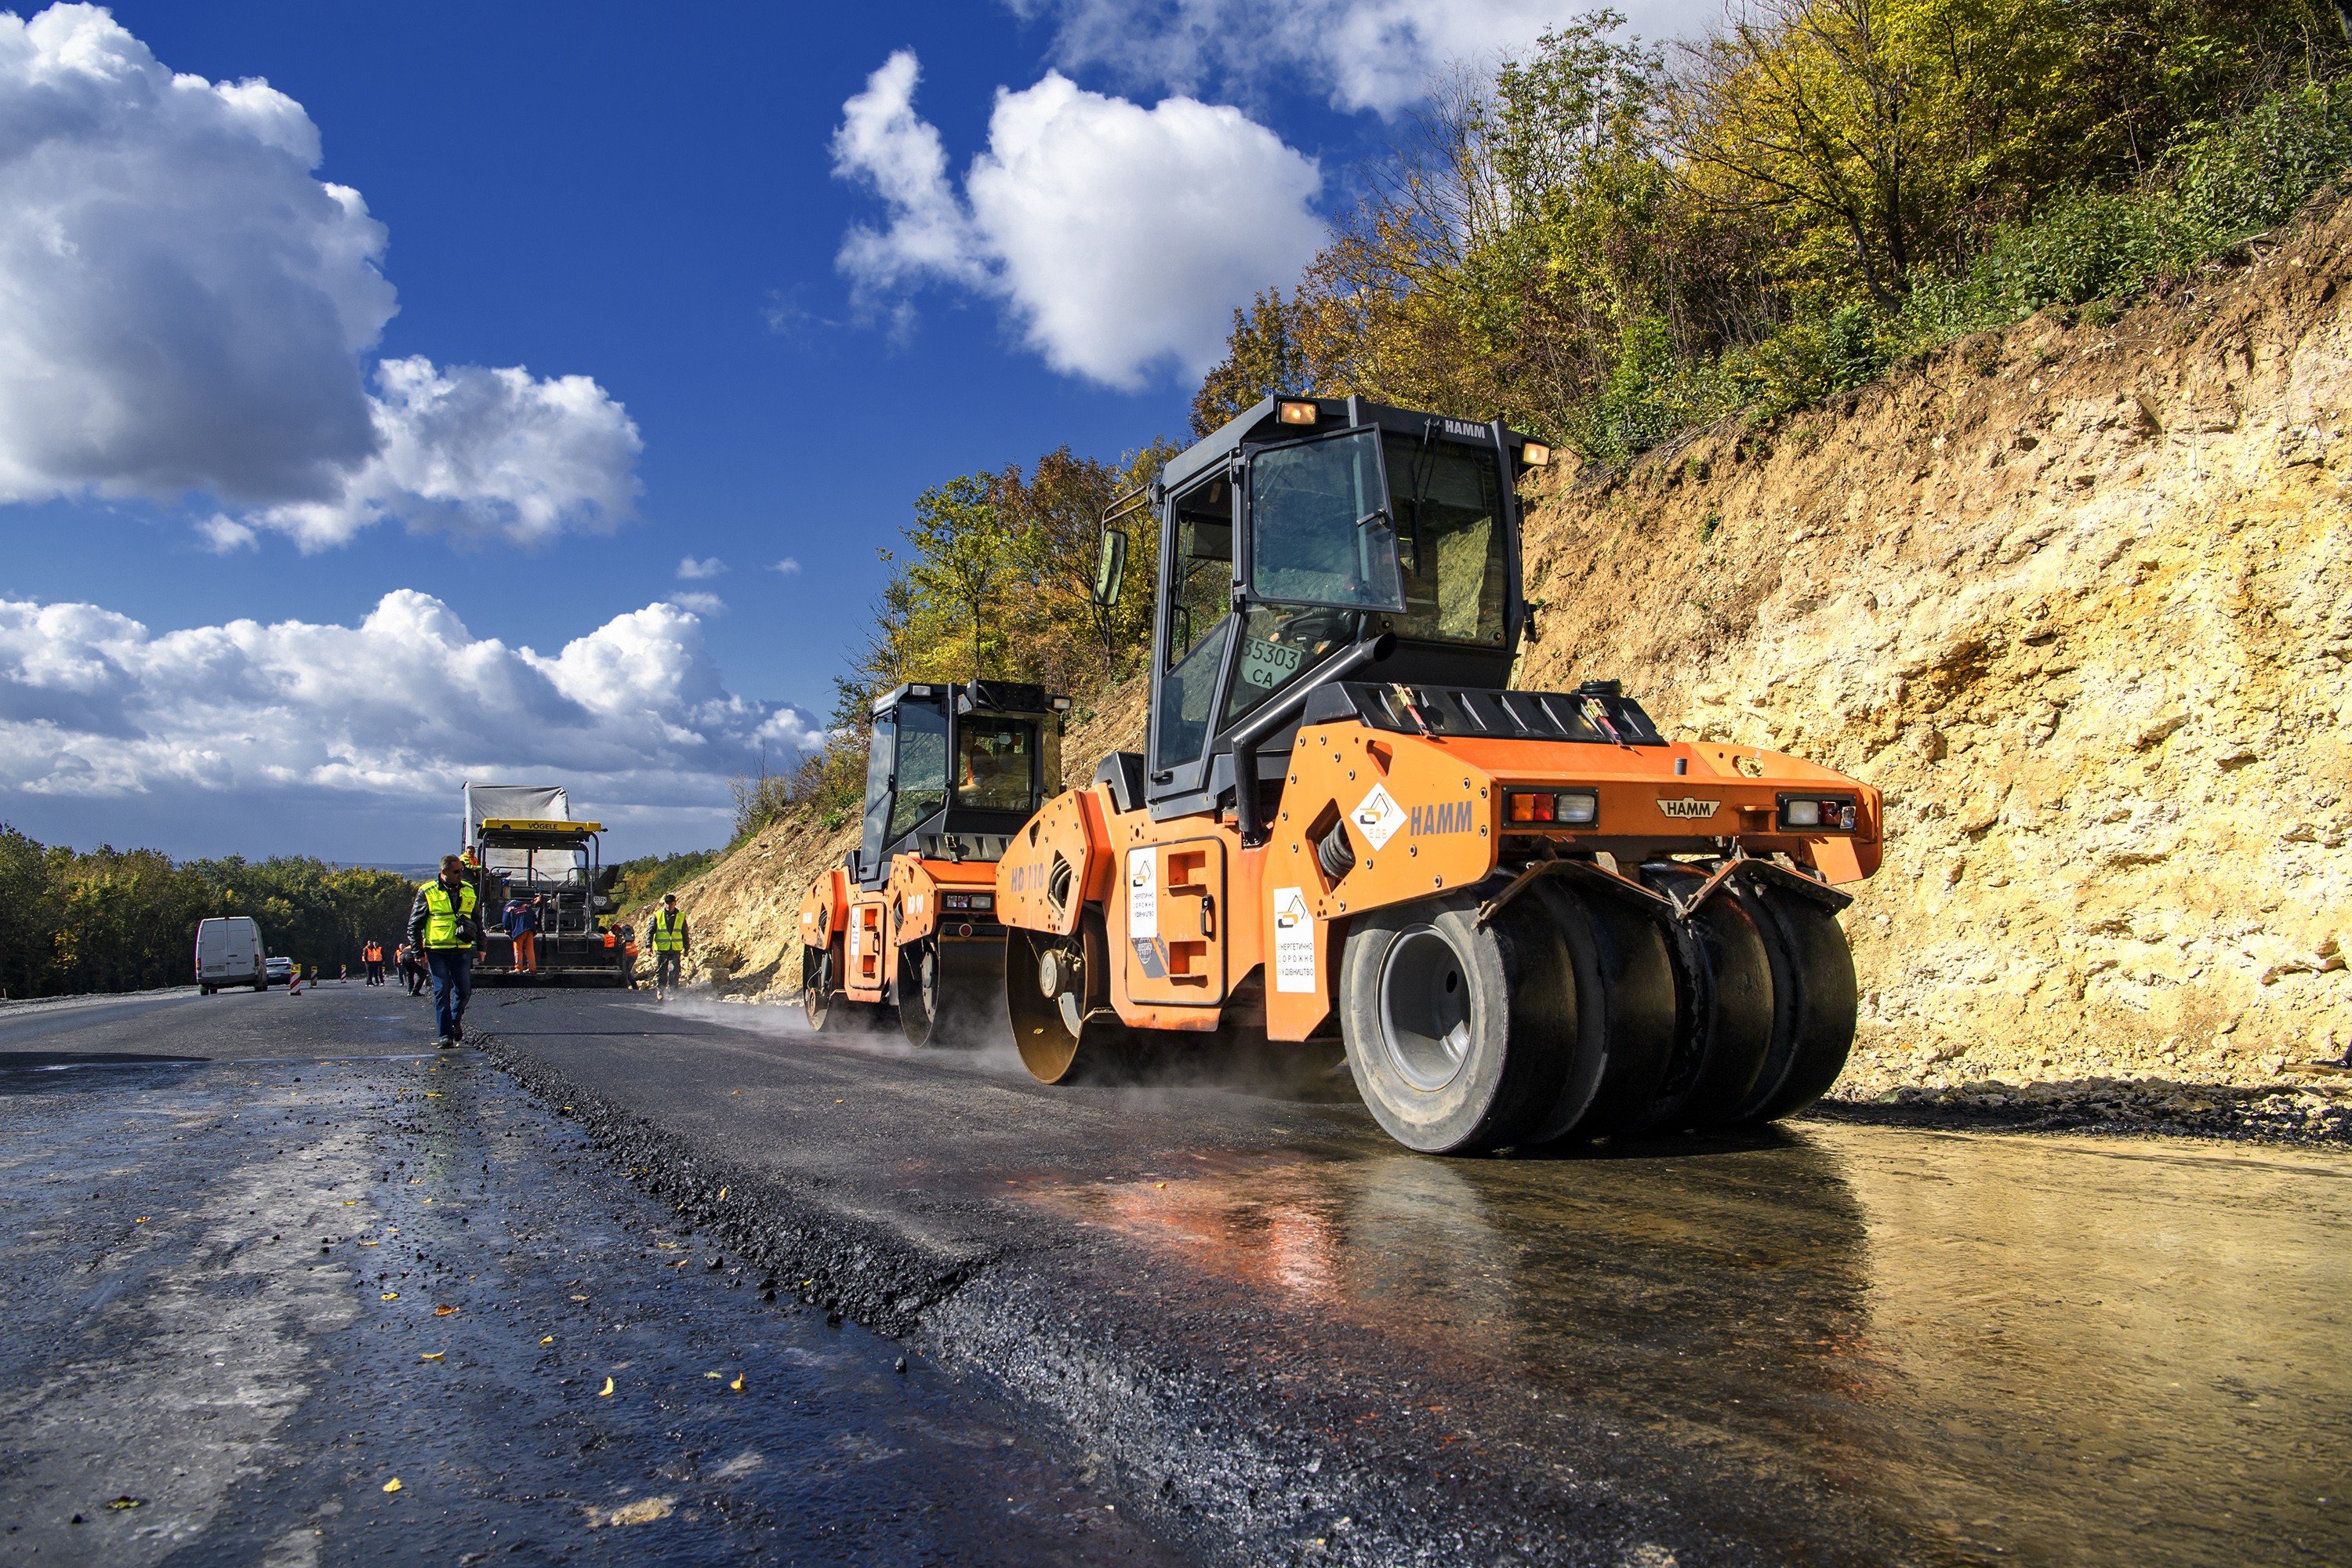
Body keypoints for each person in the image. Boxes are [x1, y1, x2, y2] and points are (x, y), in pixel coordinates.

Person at [409, 854, 482, 1048]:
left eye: (462, 871)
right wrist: (418, 952)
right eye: (457, 871)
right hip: (437, 951)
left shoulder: (468, 890)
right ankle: (445, 1035)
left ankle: (454, 1021)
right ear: (444, 872)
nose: (461, 875)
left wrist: (482, 946)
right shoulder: (427, 891)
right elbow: (414, 925)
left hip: (462, 949)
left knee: (464, 992)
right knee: (441, 991)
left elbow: (477, 920)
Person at [648, 893, 688, 1001]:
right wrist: (648, 946)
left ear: (675, 903)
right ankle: (660, 991)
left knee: (674, 971)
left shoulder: (681, 916)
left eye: (671, 903)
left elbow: (685, 932)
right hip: (661, 949)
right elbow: (650, 931)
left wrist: (687, 947)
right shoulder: (658, 915)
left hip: (675, 948)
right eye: (667, 903)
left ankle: (672, 994)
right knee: (661, 971)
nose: (668, 905)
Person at [505, 894, 539, 976]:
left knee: (518, 949)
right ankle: (532, 968)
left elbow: (505, 921)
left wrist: (508, 931)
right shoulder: (526, 907)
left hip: (519, 932)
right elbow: (535, 917)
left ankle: (518, 968)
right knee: (530, 949)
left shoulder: (508, 909)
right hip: (530, 930)